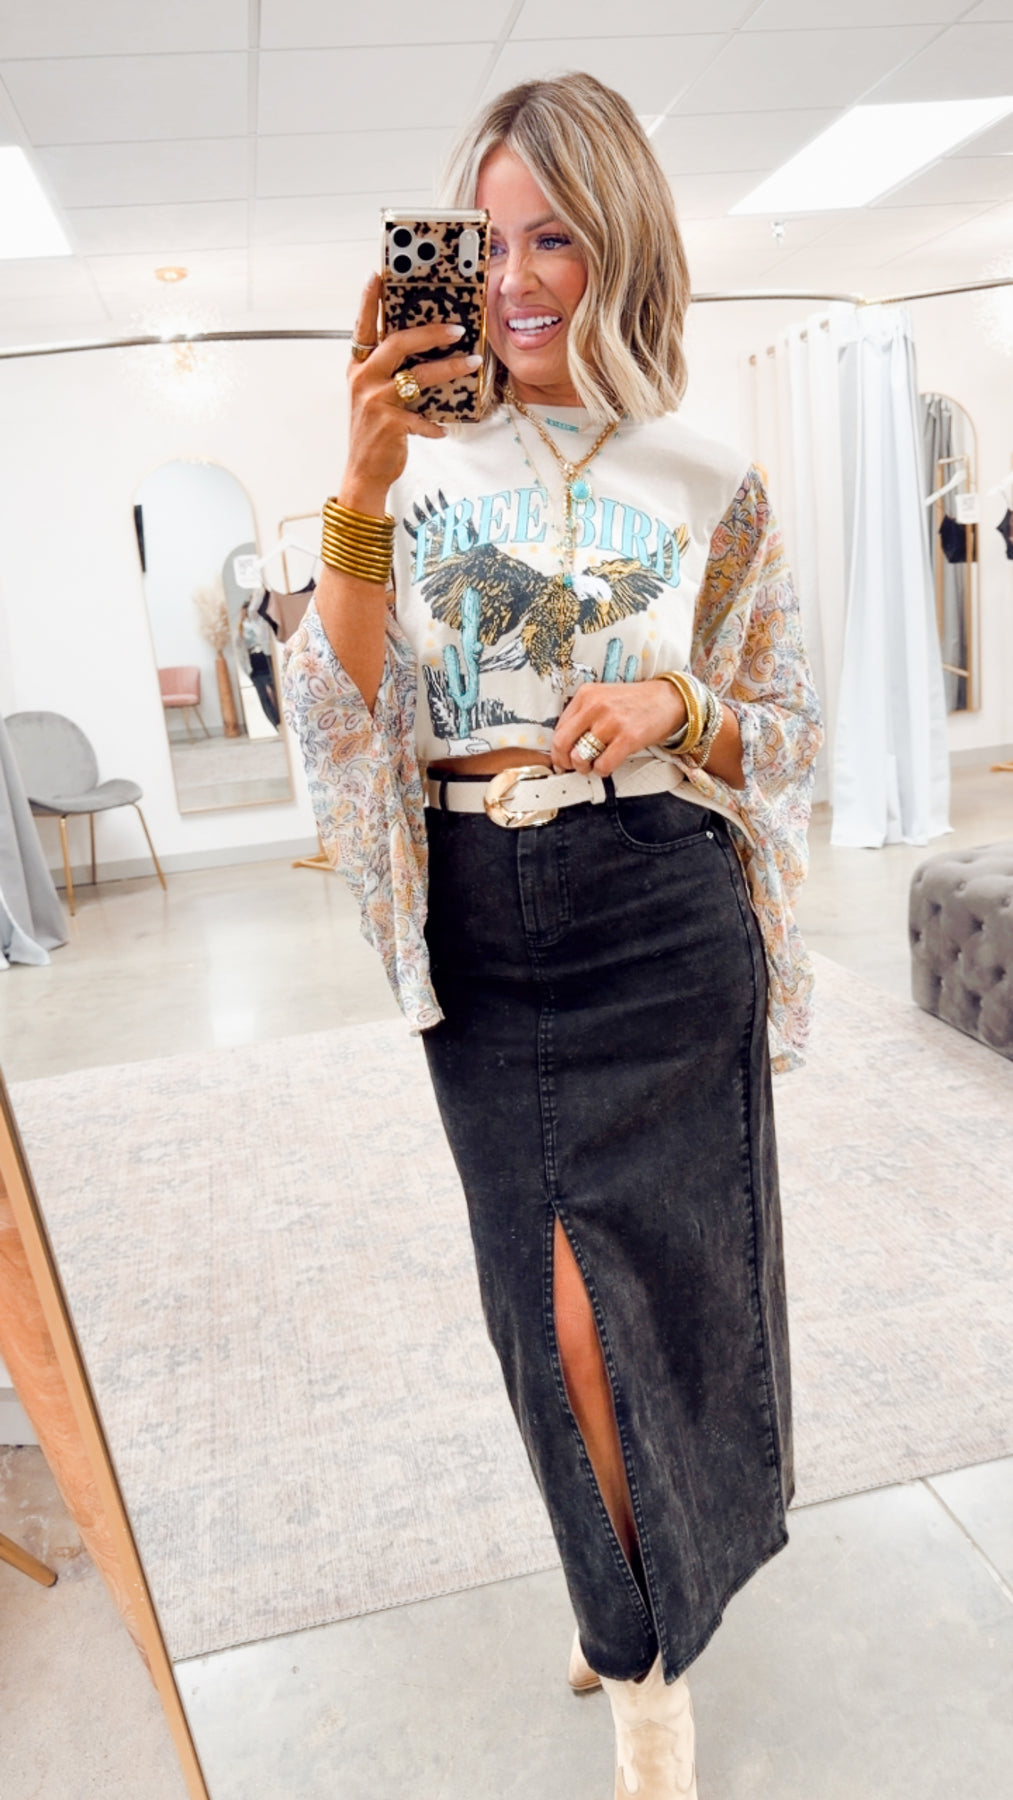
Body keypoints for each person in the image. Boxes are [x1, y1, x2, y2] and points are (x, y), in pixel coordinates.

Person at [283, 71, 822, 1800]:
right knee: (554, 1311)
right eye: (490, 242)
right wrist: (359, 483)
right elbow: (339, 718)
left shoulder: (709, 476)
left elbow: (784, 727)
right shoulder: (406, 464)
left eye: (556, 240)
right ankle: (629, 1624)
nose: (513, 281)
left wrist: (674, 701)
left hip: (659, 902)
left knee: (682, 1287)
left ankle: (641, 1632)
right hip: (490, 924)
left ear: (624, 248)